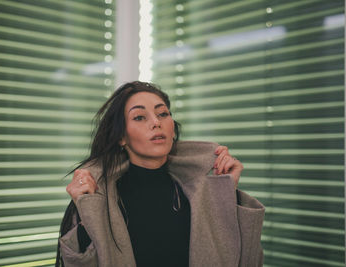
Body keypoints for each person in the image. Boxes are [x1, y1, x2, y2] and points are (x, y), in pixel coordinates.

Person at [56, 81, 264, 267]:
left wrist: (228, 190)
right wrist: (87, 209)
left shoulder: (198, 191)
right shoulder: (101, 197)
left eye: (163, 114)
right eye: (139, 117)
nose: (156, 122)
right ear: (121, 137)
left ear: (172, 129)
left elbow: (246, 259)